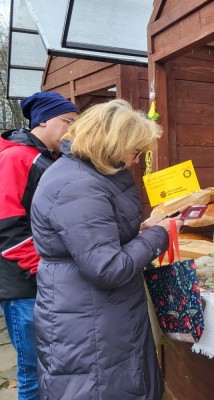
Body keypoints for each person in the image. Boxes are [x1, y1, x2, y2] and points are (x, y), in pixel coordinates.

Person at [29, 99, 182, 400]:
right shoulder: (79, 185)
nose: (137, 160)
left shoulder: (84, 174)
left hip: (94, 314)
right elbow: (107, 268)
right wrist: (157, 236)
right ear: (113, 142)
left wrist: (140, 231)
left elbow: (95, 241)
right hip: (90, 323)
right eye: (135, 151)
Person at [0, 91, 79, 400]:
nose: (73, 130)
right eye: (69, 122)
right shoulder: (16, 157)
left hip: (40, 282)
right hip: (24, 286)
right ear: (43, 119)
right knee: (33, 372)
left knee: (50, 366)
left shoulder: (49, 157)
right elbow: (7, 227)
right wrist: (44, 270)